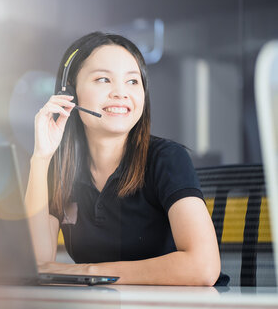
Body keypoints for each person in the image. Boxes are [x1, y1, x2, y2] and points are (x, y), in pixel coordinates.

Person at [24, 32, 222, 286]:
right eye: (104, 79)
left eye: (132, 81)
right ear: (69, 93)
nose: (121, 93)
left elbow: (203, 267)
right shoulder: (61, 168)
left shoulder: (167, 159)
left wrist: (93, 271)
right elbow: (37, 264)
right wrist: (41, 157)